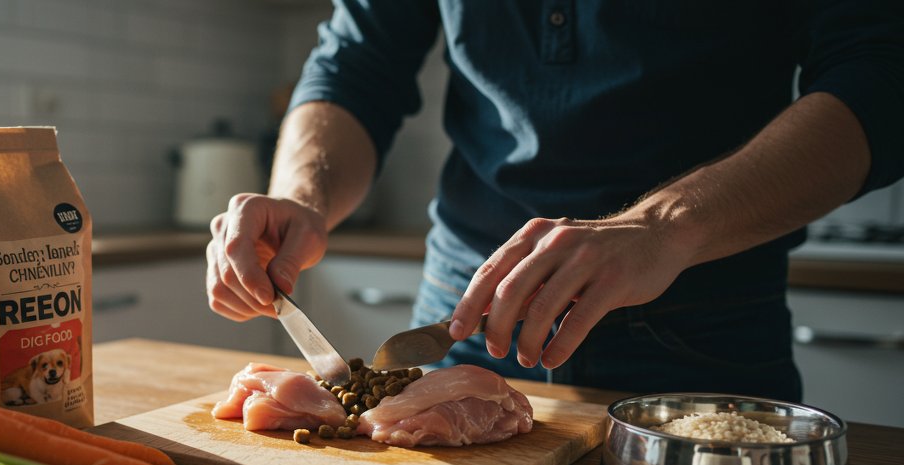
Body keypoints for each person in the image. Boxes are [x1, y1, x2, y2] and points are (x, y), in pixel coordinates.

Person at [205, 1, 904, 401]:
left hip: (701, 327)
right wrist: (303, 197)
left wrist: (661, 227)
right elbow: (356, 65)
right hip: (459, 321)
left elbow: (881, 72)